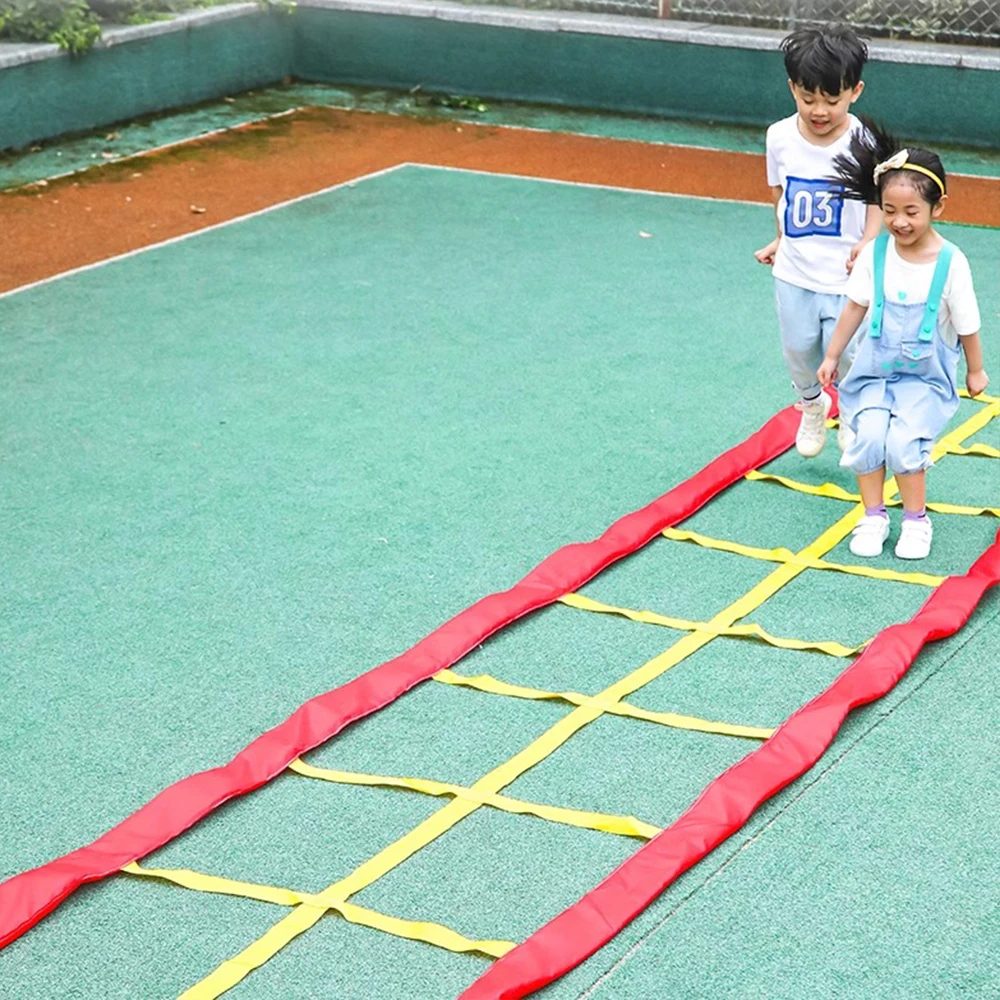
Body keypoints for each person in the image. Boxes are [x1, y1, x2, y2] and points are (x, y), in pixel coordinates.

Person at [817, 123, 989, 560]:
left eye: (911, 211)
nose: (899, 221)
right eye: (889, 210)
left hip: (924, 380)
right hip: (874, 373)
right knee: (869, 436)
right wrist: (833, 355)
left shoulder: (950, 262)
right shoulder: (875, 254)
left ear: (938, 207)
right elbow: (854, 307)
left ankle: (916, 520)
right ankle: (873, 515)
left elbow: (967, 322)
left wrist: (975, 369)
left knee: (903, 444)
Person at [755, 25, 882, 457]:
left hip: (846, 276)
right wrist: (780, 240)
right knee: (798, 348)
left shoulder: (863, 141)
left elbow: (876, 199)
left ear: (855, 92)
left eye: (832, 99)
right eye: (808, 98)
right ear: (792, 88)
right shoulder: (779, 136)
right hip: (794, 271)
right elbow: (781, 194)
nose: (820, 110)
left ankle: (850, 410)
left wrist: (869, 241)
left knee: (845, 353)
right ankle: (812, 405)